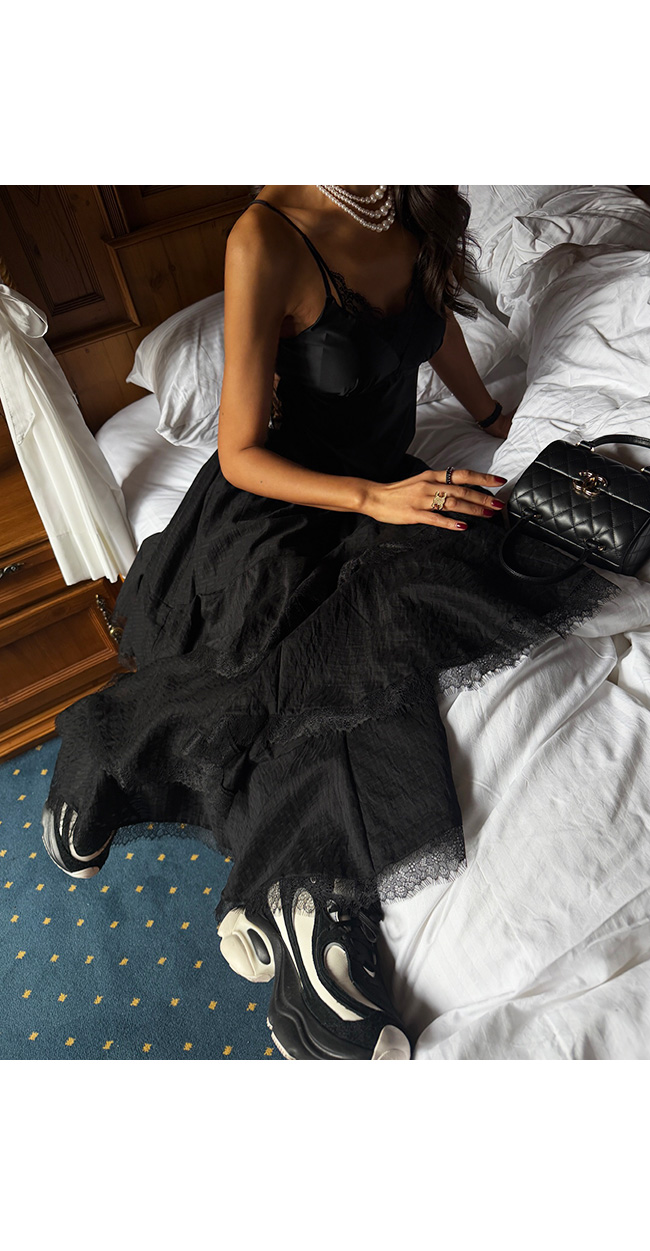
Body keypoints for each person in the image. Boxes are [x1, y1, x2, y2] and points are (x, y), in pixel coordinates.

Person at [41, 185, 620, 1061]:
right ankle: (134, 759)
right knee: (314, 659)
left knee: (399, 626)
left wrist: (490, 416)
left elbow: (436, 324)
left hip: (383, 485)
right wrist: (378, 500)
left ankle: (290, 892)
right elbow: (239, 451)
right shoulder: (265, 237)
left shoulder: (416, 196)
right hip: (278, 507)